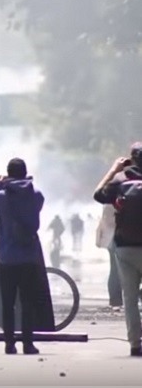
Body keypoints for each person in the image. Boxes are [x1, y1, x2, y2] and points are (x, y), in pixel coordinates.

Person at [0, 158, 44, 355]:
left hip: (7, 257)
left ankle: (9, 343)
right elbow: (36, 207)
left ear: (8, 173)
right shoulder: (36, 195)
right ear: (25, 173)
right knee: (27, 302)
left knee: (8, 303)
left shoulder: (1, 196)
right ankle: (28, 343)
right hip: (29, 255)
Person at [94, 143, 142, 356]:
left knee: (129, 298)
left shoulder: (120, 181)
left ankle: (135, 344)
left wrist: (114, 169)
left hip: (124, 248)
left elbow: (98, 195)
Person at [96, 204, 122, 311]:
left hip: (110, 242)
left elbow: (101, 224)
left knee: (115, 271)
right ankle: (117, 299)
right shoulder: (114, 206)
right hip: (117, 241)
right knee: (117, 271)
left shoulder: (107, 206)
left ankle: (115, 299)